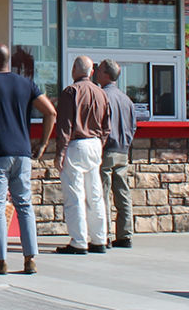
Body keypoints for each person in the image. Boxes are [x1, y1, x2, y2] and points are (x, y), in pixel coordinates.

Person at [0, 44, 56, 275]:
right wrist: (43, 143)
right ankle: (30, 258)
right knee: (24, 204)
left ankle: (1, 259)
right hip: (22, 152)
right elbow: (51, 112)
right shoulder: (26, 83)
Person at [54, 55, 110, 254]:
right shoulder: (101, 93)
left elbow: (65, 126)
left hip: (76, 144)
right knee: (95, 194)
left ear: (74, 70)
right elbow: (107, 126)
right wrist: (99, 144)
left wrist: (60, 152)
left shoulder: (71, 91)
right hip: (95, 144)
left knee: (75, 195)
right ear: (91, 72)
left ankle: (78, 241)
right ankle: (99, 238)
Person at [96, 58, 138, 248]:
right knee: (122, 193)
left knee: (103, 193)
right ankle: (125, 234)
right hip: (123, 150)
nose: (96, 72)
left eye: (99, 69)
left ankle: (104, 234)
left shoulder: (102, 96)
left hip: (107, 150)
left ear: (106, 74)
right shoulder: (126, 99)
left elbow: (99, 124)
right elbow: (134, 126)